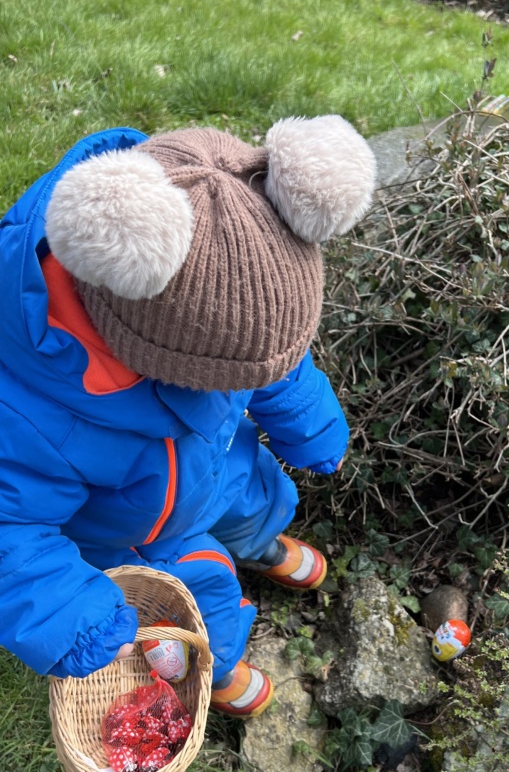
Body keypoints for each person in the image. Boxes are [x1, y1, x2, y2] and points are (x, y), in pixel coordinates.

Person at [0, 116, 376, 717]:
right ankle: (218, 666)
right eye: (226, 375)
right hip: (133, 527)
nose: (245, 380)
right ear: (151, 351)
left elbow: (267, 355)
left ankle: (262, 543)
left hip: (215, 461)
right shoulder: (23, 407)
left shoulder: (222, 292)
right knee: (199, 598)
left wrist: (306, 414)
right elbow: (8, 530)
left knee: (253, 499)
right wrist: (66, 615)